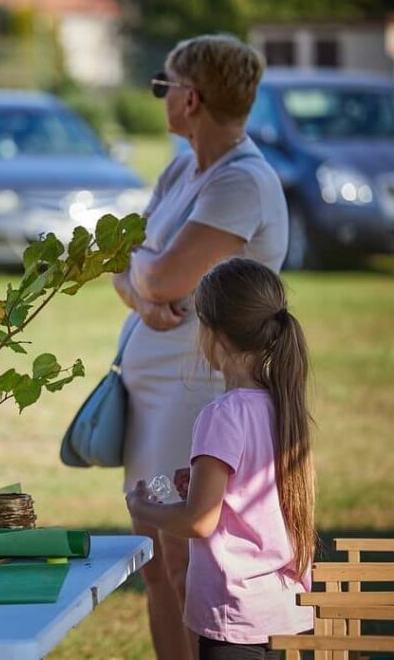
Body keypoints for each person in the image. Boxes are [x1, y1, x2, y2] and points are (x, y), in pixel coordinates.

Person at [109, 34, 289, 659]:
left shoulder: (241, 183)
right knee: (157, 563)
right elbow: (127, 261)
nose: (161, 98)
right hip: (152, 392)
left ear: (188, 99)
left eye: (163, 87)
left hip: (197, 396)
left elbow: (159, 273)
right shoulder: (185, 166)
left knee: (188, 564)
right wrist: (144, 287)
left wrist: (145, 279)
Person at [126, 257, 316, 660]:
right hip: (286, 609)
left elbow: (198, 521)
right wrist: (198, 486)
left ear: (210, 332)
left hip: (234, 617)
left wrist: (145, 508)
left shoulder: (221, 415)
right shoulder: (282, 405)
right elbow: (248, 495)